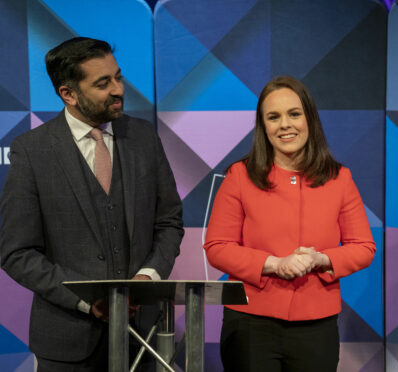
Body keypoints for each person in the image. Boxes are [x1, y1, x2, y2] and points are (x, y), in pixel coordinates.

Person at [0, 37, 184, 371]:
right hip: (66, 345)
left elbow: (168, 222)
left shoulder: (143, 137)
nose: (118, 89)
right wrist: (87, 302)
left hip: (144, 339)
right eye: (103, 83)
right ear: (68, 93)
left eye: (118, 77)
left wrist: (148, 278)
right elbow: (17, 253)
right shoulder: (32, 151)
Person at [204, 76, 376, 371]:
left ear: (309, 118)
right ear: (263, 126)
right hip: (249, 323)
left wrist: (321, 259)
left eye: (294, 114)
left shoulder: (339, 178)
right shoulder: (239, 175)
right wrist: (273, 264)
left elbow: (363, 247)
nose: (285, 125)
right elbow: (217, 247)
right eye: (274, 117)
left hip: (316, 326)